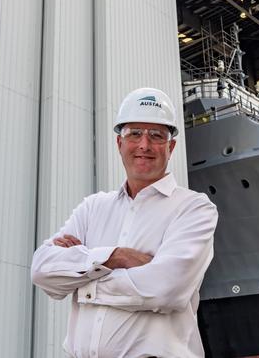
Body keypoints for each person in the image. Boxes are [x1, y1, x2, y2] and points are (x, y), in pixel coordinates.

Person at [31, 87, 218, 358]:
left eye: (156, 135)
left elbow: (166, 289)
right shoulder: (93, 207)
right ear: (120, 143)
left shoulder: (193, 208)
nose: (144, 145)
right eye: (134, 134)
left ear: (171, 146)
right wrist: (116, 257)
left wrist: (82, 278)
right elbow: (41, 269)